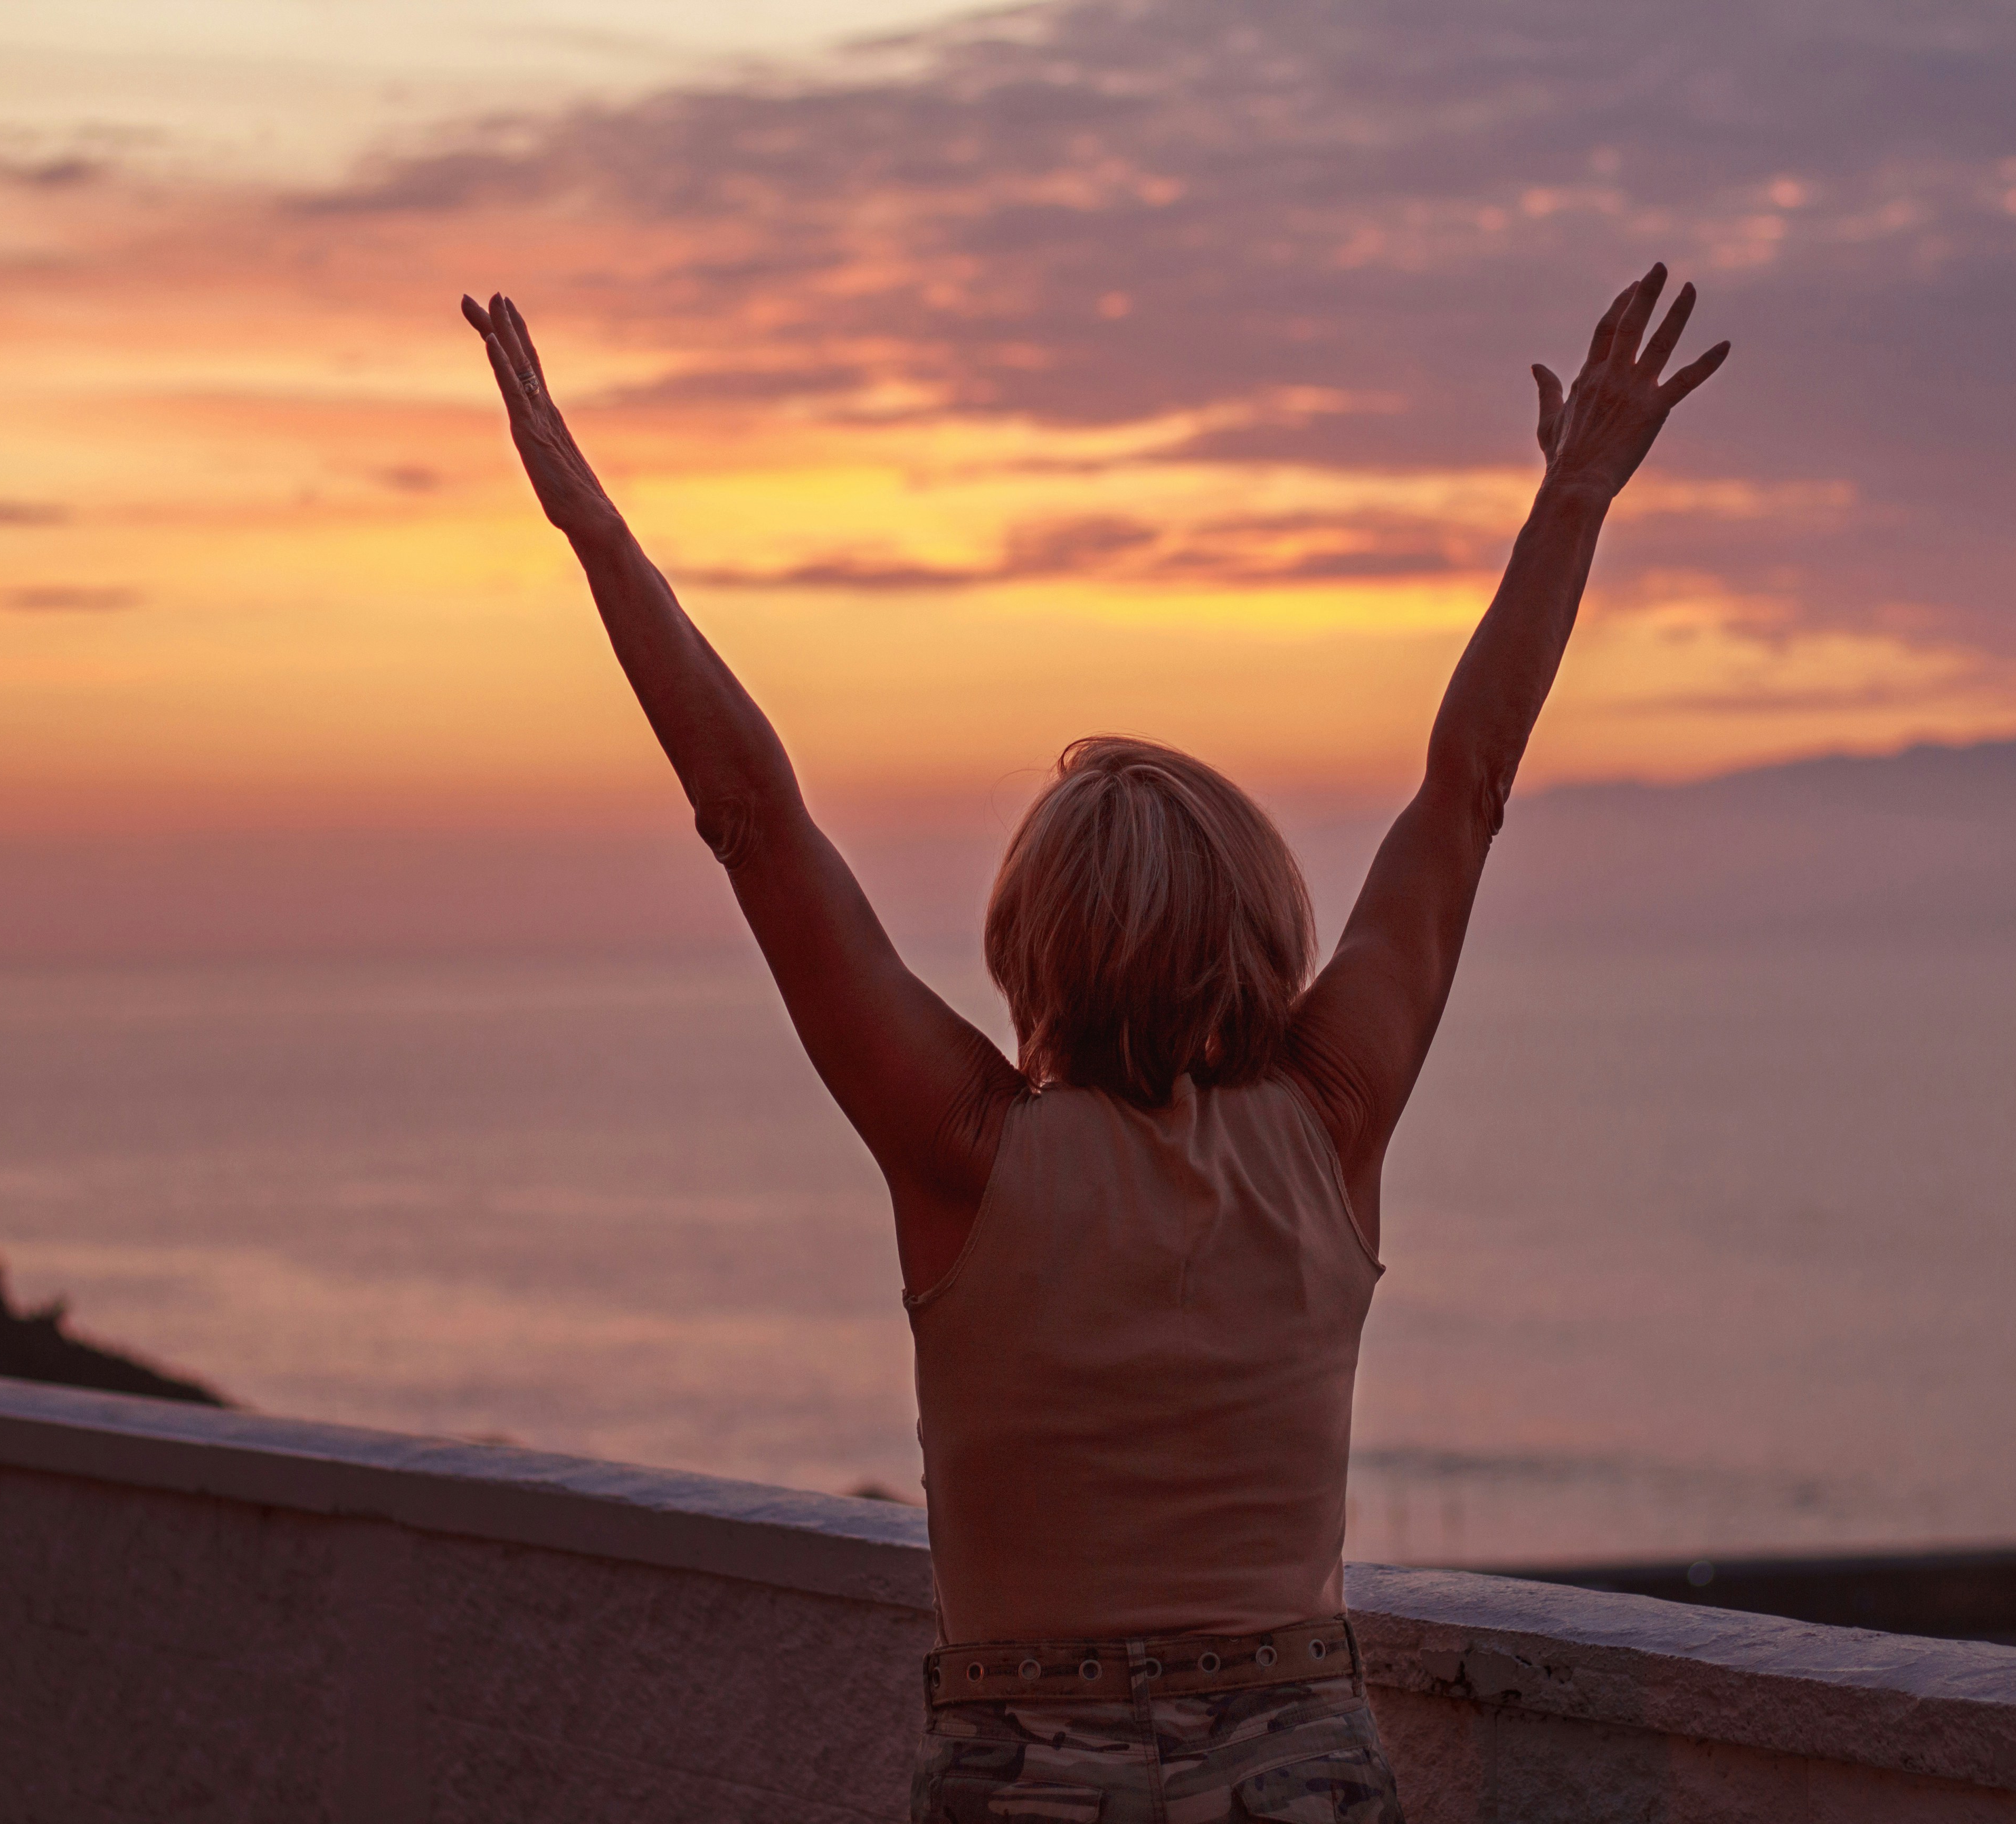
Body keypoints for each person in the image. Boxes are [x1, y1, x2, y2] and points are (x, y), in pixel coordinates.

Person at [462, 268, 1726, 1824]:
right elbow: (1468, 784)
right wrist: (1575, 500)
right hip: (1298, 1775)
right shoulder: (1327, 1129)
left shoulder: (968, 1157)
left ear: (1027, 943)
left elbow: (751, 822)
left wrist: (594, 529)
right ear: (1264, 925)